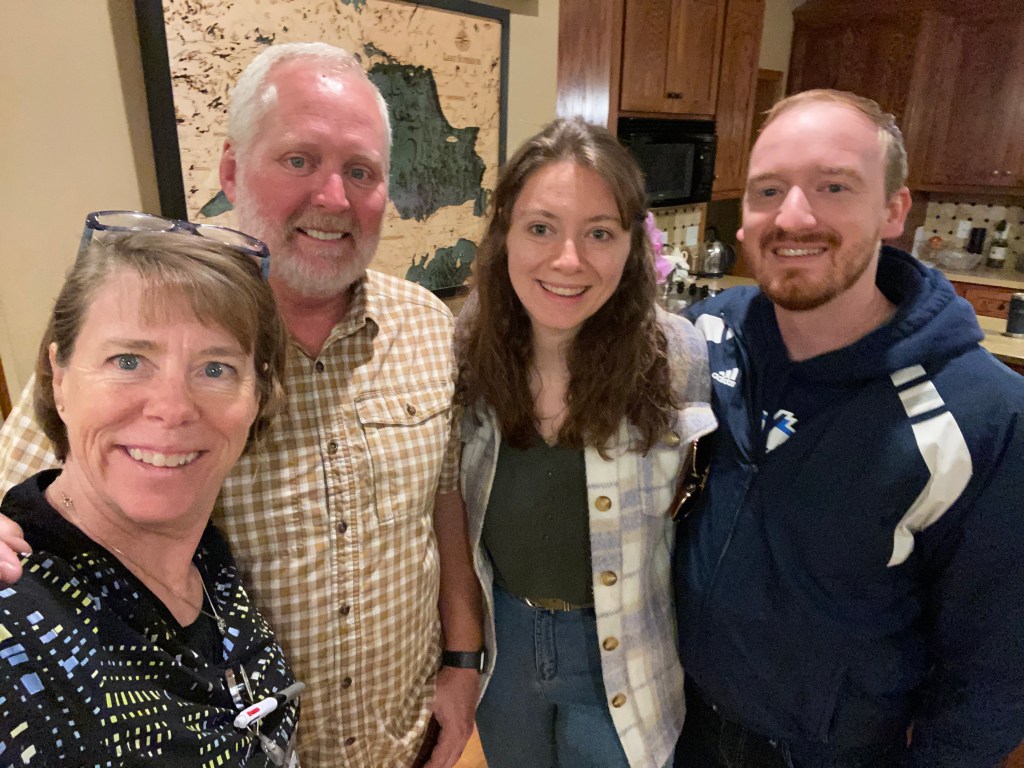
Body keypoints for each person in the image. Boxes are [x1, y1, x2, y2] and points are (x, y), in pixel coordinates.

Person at [0, 42, 482, 768]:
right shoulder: (157, 343)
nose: (333, 198)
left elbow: (442, 503)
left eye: (360, 171)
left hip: (405, 739)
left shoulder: (427, 326)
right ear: (231, 170)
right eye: (299, 160)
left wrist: (462, 660)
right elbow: (32, 493)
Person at [674, 89, 1024, 767]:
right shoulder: (705, 335)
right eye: (768, 190)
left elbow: (993, 672)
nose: (793, 216)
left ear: (894, 210)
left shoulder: (983, 417)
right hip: (675, 721)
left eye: (833, 186)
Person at [456, 118, 716, 768]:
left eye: (599, 233)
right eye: (541, 228)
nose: (568, 260)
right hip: (503, 647)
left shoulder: (677, 355)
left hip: (627, 653)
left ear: (632, 246)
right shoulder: (469, 345)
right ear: (505, 234)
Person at [0, 227, 298, 765]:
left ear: (258, 397)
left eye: (216, 369)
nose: (172, 408)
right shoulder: (15, 612)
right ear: (59, 377)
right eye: (128, 361)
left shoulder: (207, 561)